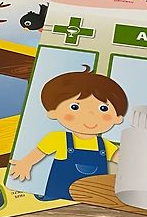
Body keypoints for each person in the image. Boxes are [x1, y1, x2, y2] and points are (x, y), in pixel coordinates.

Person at [9, 66, 128, 201]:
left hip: (92, 198)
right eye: (75, 107)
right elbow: (38, 153)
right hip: (58, 196)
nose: (90, 115)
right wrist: (25, 164)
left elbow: (123, 160)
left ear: (117, 118)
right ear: (53, 112)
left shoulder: (105, 145)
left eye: (103, 108)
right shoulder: (58, 138)